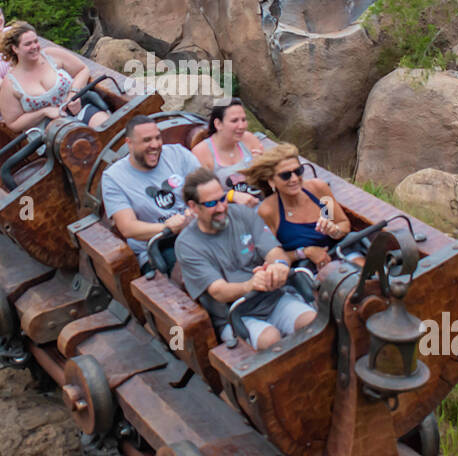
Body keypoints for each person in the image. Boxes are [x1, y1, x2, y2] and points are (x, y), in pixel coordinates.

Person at [175, 167, 316, 351]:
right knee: (271, 340)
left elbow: (273, 250)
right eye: (211, 204)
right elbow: (218, 291)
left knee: (312, 322)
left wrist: (279, 266)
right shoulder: (187, 244)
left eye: (223, 199)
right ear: (193, 207)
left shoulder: (242, 214)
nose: (221, 208)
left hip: (273, 299)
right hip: (235, 315)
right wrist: (251, 285)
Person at [100, 115, 257, 270]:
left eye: (158, 138)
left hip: (200, 225)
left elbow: (207, 187)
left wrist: (227, 197)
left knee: (247, 238)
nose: (155, 145)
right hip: (161, 244)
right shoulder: (113, 178)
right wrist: (167, 227)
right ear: (130, 143)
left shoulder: (177, 154)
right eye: (147, 140)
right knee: (200, 265)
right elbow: (128, 228)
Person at [245, 143, 350, 269]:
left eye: (298, 171)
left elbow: (343, 223)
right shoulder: (268, 211)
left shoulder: (318, 189)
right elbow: (270, 257)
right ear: (272, 181)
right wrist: (305, 252)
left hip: (340, 253)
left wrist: (334, 231)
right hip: (307, 271)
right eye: (285, 175)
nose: (294, 179)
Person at [0, 22, 110, 131]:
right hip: (50, 127)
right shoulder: (10, 83)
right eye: (28, 44)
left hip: (78, 108)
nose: (34, 46)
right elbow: (13, 123)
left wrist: (73, 93)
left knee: (105, 126)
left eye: (36, 41)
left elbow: (83, 69)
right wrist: (44, 112)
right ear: (15, 49)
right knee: (79, 141)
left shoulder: (52, 55)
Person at [192, 99, 264, 195]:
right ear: (218, 124)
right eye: (234, 121)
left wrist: (264, 166)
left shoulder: (248, 139)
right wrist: (231, 196)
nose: (242, 126)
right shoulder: (202, 152)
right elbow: (202, 195)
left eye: (243, 120)